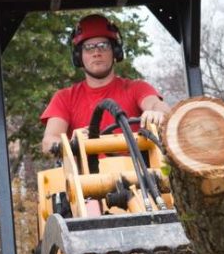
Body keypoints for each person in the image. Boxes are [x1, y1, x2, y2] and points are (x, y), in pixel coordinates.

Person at [41, 14, 170, 154]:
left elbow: (156, 105)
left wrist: (158, 113)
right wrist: (70, 144)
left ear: (115, 52)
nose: (96, 52)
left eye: (103, 46)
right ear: (78, 56)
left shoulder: (137, 88)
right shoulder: (64, 98)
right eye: (89, 47)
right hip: (85, 175)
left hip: (140, 173)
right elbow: (49, 141)